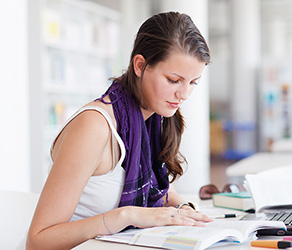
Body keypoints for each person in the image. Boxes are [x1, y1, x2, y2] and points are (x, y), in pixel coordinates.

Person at [27, 11, 213, 250]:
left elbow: (163, 191)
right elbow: (38, 241)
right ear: (139, 65)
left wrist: (183, 209)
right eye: (173, 80)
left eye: (193, 82)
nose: (184, 94)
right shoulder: (94, 126)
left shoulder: (153, 118)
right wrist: (126, 217)